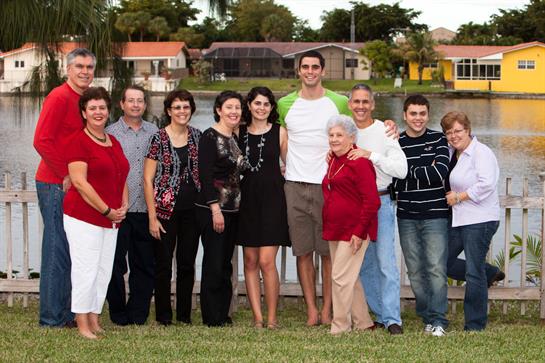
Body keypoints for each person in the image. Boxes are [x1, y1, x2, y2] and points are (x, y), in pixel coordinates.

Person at [278, 50, 397, 326]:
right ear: (298, 70)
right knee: (303, 252)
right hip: (295, 184)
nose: (310, 71)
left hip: (329, 188)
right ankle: (312, 312)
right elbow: (282, 139)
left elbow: (360, 123)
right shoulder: (285, 104)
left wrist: (388, 126)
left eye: (315, 67)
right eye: (304, 67)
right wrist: (284, 164)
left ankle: (332, 312)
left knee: (331, 255)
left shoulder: (339, 101)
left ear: (322, 70)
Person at [33, 48, 96, 328]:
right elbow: (41, 140)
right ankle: (51, 317)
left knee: (72, 251)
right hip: (54, 184)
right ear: (68, 69)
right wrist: (64, 175)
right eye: (80, 66)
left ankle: (68, 312)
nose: (85, 71)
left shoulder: (84, 99)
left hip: (74, 185)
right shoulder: (58, 97)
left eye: (90, 67)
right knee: (56, 250)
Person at [63, 87, 129, 339]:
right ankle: (81, 323)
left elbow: (121, 174)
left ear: (108, 110)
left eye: (102, 107)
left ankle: (94, 317)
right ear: (84, 112)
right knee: (85, 269)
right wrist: (106, 210)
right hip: (84, 217)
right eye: (92, 108)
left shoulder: (114, 141)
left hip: (112, 219)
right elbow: (80, 183)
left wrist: (121, 206)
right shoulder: (77, 141)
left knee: (102, 271)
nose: (98, 112)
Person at [346, 84, 408, 335]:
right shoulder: (345, 131)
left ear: (372, 104)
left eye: (365, 102)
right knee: (364, 265)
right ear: (349, 104)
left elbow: (401, 170)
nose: (360, 106)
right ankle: (381, 313)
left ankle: (393, 319)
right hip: (354, 206)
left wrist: (370, 155)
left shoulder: (385, 130)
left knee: (386, 263)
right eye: (356, 102)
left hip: (381, 202)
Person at [143, 89, 202, 326]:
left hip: (193, 210)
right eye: (177, 107)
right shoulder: (158, 138)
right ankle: (164, 316)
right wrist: (152, 217)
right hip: (165, 211)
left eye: (186, 107)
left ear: (191, 110)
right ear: (169, 111)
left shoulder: (198, 136)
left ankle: (185, 315)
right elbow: (147, 179)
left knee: (187, 264)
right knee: (164, 264)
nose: (182, 111)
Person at [393, 95, 450, 337]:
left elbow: (440, 172)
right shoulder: (396, 142)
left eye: (422, 114)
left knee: (436, 267)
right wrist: (412, 172)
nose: (418, 118)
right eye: (413, 114)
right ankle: (427, 316)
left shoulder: (439, 139)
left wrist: (406, 171)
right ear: (405, 115)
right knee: (415, 270)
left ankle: (438, 320)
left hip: (435, 214)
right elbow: (391, 175)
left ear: (428, 115)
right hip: (406, 214)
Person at [441, 111, 501, 331]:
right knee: (442, 262)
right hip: (459, 219)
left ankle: (475, 325)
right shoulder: (452, 153)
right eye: (449, 132)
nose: (454, 136)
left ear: (467, 129)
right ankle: (489, 272)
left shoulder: (481, 153)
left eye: (458, 130)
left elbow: (486, 184)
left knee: (472, 272)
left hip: (480, 219)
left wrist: (458, 196)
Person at [322, 115, 381, 335]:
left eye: (339, 135)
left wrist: (359, 232)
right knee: (349, 277)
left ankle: (340, 327)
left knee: (339, 277)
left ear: (351, 137)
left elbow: (372, 201)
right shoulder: (335, 160)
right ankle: (364, 322)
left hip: (354, 230)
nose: (334, 139)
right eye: (331, 135)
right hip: (336, 228)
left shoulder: (360, 162)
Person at [237, 87, 290, 329]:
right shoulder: (238, 132)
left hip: (273, 201)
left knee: (267, 261)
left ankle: (271, 318)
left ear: (271, 108)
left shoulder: (280, 132)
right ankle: (257, 318)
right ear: (249, 105)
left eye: (266, 104)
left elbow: (292, 164)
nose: (261, 108)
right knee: (249, 260)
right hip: (246, 201)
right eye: (257, 103)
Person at [105, 85, 158, 326]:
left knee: (144, 265)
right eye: (131, 101)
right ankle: (118, 313)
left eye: (140, 101)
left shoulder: (155, 133)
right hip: (118, 210)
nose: (136, 105)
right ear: (122, 104)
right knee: (115, 265)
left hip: (146, 209)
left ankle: (138, 313)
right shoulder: (109, 133)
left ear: (145, 105)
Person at [196, 90, 246, 327]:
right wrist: (214, 209)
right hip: (214, 210)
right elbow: (205, 177)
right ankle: (211, 317)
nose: (234, 112)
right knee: (214, 263)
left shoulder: (234, 138)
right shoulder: (209, 136)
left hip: (233, 210)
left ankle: (222, 313)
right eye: (229, 107)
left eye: (237, 107)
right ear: (218, 110)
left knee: (225, 263)